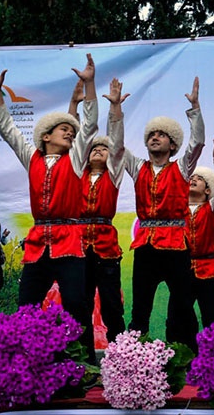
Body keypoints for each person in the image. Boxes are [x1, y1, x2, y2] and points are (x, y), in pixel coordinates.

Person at [0, 54, 99, 364]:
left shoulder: (75, 160)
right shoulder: (31, 157)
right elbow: (8, 128)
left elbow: (89, 125)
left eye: (72, 131)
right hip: (38, 243)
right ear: (45, 136)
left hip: (69, 241)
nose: (70, 133)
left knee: (76, 303)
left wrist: (90, 85)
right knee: (27, 303)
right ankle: (25, 359)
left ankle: (83, 362)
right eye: (63, 129)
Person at [124, 77, 204, 350]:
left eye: (161, 135)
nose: (155, 137)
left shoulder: (181, 168)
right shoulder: (138, 167)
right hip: (145, 244)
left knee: (183, 303)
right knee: (140, 306)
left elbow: (198, 142)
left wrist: (195, 109)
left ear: (173, 145)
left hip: (175, 244)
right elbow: (116, 145)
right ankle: (133, 358)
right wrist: (115, 111)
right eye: (151, 135)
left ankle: (189, 354)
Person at [76, 78, 129, 344]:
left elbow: (117, 143)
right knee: (80, 303)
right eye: (94, 149)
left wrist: (115, 109)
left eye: (103, 149)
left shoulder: (114, 175)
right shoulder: (76, 175)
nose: (98, 150)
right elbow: (79, 137)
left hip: (106, 247)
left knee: (111, 304)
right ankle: (83, 356)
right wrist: (80, 100)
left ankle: (120, 355)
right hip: (78, 244)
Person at [184, 136, 214, 328]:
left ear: (209, 190)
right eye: (192, 178)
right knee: (180, 317)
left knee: (211, 317)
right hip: (183, 270)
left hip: (210, 270)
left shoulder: (213, 208)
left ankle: (213, 347)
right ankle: (183, 346)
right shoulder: (177, 210)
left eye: (200, 179)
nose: (193, 179)